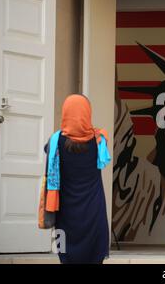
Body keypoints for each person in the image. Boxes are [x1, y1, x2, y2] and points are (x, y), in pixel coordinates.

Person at [44, 95, 111, 264]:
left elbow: (47, 150)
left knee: (66, 255)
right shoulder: (99, 140)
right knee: (94, 257)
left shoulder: (55, 141)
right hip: (94, 211)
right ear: (87, 113)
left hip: (65, 212)